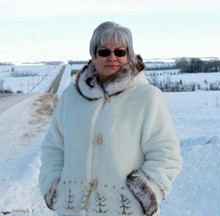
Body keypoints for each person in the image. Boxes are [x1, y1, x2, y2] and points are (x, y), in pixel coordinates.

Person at [39, 21, 182, 216]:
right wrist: (54, 185)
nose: (112, 57)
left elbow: (166, 155)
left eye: (120, 52)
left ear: (129, 55)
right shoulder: (71, 97)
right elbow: (53, 147)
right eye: (104, 52)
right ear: (94, 56)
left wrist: (142, 193)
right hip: (72, 210)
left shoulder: (147, 97)